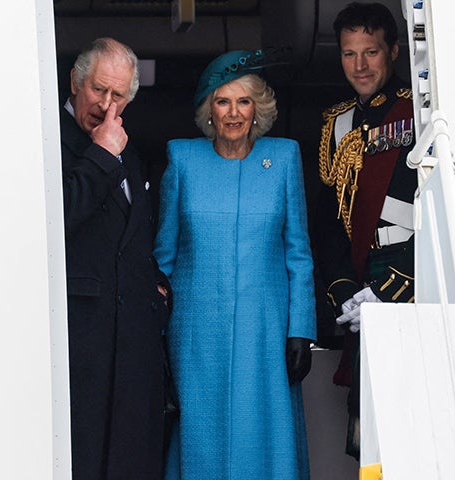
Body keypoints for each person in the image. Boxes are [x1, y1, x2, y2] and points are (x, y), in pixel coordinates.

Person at [154, 49, 316, 480]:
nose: (233, 112)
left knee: (262, 435)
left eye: (244, 101)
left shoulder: (283, 158)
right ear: (208, 110)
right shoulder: (183, 159)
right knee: (200, 438)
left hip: (265, 330)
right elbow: (163, 258)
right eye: (222, 101)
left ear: (257, 108)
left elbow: (298, 253)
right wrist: (154, 332)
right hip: (196, 334)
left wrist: (301, 329)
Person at [311, 1, 418, 470]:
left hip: (410, 279)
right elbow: (330, 221)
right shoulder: (337, 123)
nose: (359, 66)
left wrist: (395, 285)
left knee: (409, 417)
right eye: (349, 53)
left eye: (370, 52)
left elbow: (437, 211)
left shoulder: (418, 113)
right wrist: (343, 289)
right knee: (366, 421)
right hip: (358, 281)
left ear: (392, 51)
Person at [59, 37, 172, 480]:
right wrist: (103, 155)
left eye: (118, 95)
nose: (107, 105)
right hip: (79, 339)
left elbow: (130, 237)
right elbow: (55, 218)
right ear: (75, 82)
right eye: (98, 90)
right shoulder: (46, 138)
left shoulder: (129, 148)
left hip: (131, 341)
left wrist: (155, 284)